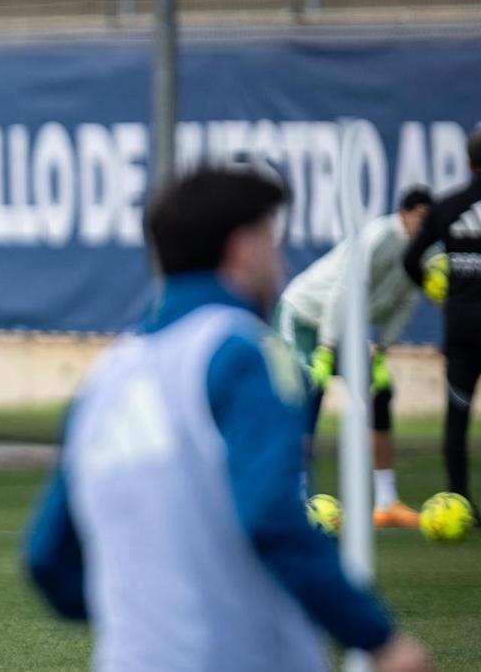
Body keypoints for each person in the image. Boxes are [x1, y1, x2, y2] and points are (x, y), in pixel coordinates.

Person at [24, 169, 432, 672]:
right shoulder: (245, 351)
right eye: (272, 243)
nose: (279, 263)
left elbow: (47, 559)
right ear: (243, 250)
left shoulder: (106, 376)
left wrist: (151, 616)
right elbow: (272, 517)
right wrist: (379, 639)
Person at [276, 187, 433, 527]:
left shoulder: (421, 252)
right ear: (403, 214)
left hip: (341, 328)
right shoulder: (379, 237)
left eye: (428, 218)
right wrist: (326, 350)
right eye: (420, 216)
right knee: (306, 396)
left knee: (381, 393)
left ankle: (387, 501)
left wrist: (382, 351)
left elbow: (404, 302)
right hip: (305, 314)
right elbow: (343, 291)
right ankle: (297, 500)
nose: (424, 224)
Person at [403, 130, 481, 512]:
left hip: (462, 325)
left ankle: (460, 501)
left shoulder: (448, 207)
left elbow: (410, 259)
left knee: (457, 415)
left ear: (468, 164)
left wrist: (438, 291)